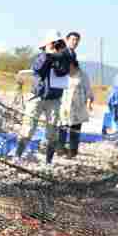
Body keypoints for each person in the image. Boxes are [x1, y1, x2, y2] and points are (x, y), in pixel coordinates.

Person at [17, 30, 72, 164]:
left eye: (57, 43)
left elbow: (63, 72)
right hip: (37, 96)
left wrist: (60, 56)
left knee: (52, 131)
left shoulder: (63, 57)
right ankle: (18, 155)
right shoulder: (40, 56)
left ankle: (48, 161)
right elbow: (38, 69)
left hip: (54, 99)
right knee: (28, 128)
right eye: (53, 43)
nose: (55, 45)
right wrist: (48, 55)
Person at [58, 55, 93, 158]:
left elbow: (88, 90)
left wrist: (89, 102)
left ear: (73, 65)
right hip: (64, 104)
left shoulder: (83, 75)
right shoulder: (63, 74)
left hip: (78, 105)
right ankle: (60, 148)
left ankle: (72, 151)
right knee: (62, 126)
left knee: (75, 128)